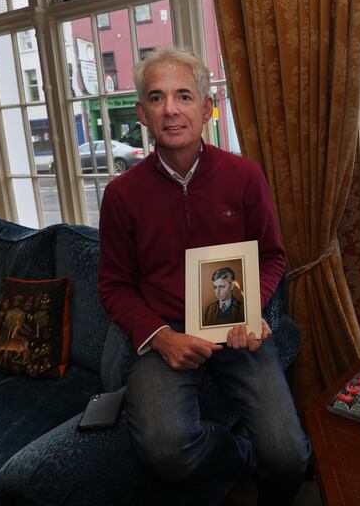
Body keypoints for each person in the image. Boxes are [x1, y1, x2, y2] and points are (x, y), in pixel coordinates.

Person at [97, 46, 310, 504]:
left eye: (183, 96)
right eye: (156, 98)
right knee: (166, 450)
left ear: (207, 107)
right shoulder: (120, 195)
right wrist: (160, 338)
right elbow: (114, 286)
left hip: (235, 323)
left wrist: (250, 309)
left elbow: (272, 257)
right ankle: (246, 457)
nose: (170, 109)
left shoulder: (244, 176)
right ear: (142, 113)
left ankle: (269, 469)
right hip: (166, 332)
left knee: (289, 457)